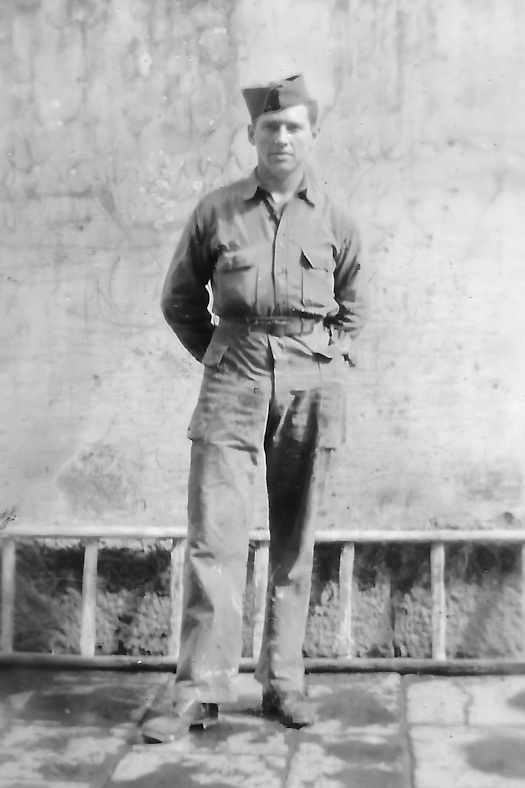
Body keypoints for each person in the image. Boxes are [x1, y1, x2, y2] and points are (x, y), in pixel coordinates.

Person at [142, 74, 366, 743]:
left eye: (294, 127)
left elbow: (354, 310)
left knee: (295, 540)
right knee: (214, 539)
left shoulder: (336, 220)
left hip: (310, 386)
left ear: (312, 136)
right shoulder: (216, 212)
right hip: (233, 379)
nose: (282, 137)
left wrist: (325, 359)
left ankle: (284, 683)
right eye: (271, 127)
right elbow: (180, 300)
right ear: (251, 135)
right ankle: (198, 690)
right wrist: (221, 354)